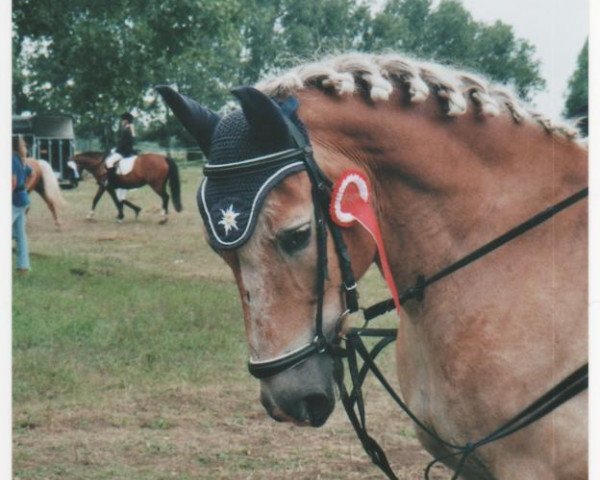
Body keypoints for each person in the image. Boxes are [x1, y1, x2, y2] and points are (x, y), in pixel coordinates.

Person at [12, 135, 32, 274]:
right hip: (23, 199)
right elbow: (32, 173)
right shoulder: (21, 159)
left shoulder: (11, 159)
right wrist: (25, 188)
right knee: (20, 235)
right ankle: (23, 266)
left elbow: (11, 182)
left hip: (13, 200)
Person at [105, 112, 136, 184]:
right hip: (126, 150)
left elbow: (123, 144)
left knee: (109, 161)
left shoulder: (126, 130)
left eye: (122, 120)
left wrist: (115, 150)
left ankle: (112, 180)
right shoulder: (130, 129)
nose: (121, 121)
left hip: (123, 152)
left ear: (126, 121)